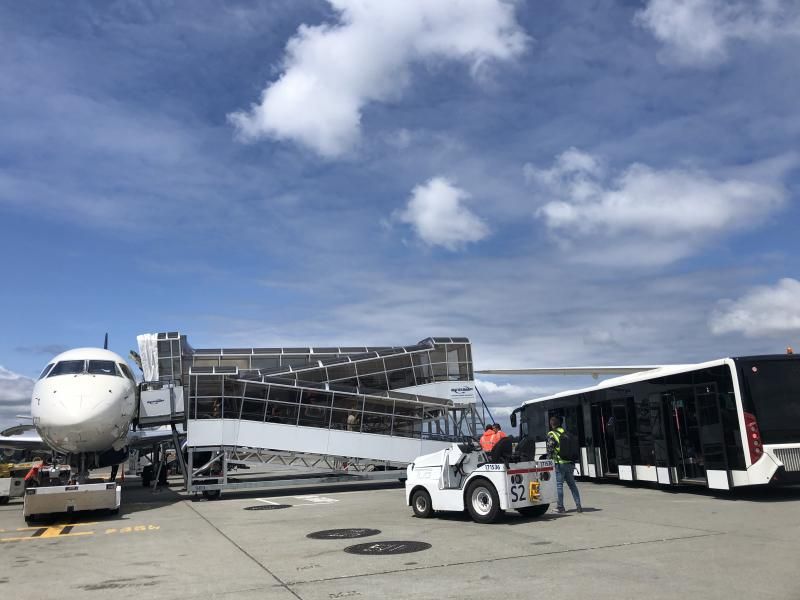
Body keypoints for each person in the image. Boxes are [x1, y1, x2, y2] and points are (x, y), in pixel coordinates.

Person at [547, 415, 582, 513]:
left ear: (551, 424)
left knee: (559, 485)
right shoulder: (566, 433)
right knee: (572, 485)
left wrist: (548, 461)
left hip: (559, 463)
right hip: (570, 463)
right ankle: (578, 505)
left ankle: (560, 507)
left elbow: (550, 450)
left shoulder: (552, 434)